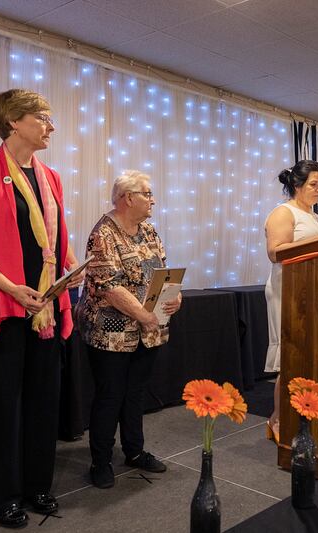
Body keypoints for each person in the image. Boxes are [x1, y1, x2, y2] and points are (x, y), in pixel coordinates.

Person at [0, 89, 83, 528]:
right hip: (5, 307)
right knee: (1, 408)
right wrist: (12, 287)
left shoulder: (51, 176)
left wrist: (69, 266)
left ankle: (36, 487)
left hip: (45, 306)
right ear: (14, 121)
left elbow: (52, 240)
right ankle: (0, 497)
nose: (51, 126)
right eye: (43, 118)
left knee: (43, 403)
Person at [76, 170, 181, 489]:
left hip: (146, 329)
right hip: (110, 330)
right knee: (110, 395)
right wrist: (143, 314)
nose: (152, 200)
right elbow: (108, 286)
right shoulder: (103, 233)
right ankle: (101, 461)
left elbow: (162, 271)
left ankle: (134, 451)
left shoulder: (149, 230)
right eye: (147, 194)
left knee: (135, 393)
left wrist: (175, 297)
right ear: (127, 198)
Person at [263, 160, 318, 443]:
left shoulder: (315, 216)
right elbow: (276, 252)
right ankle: (277, 420)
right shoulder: (283, 212)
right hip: (288, 291)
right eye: (313, 184)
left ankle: (303, 416)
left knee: (309, 357)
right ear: (296, 185)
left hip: (312, 292)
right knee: (291, 358)